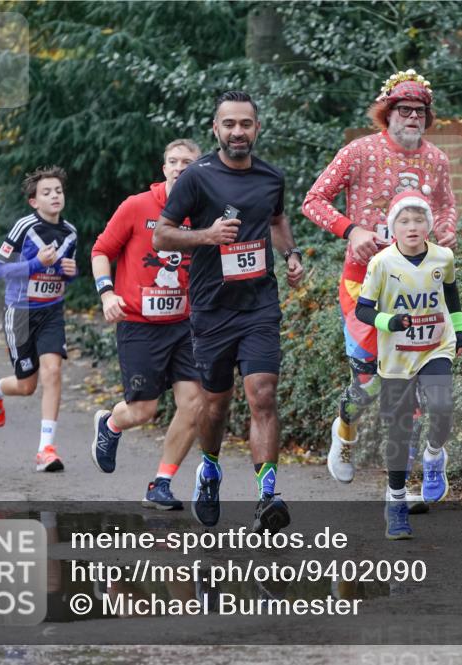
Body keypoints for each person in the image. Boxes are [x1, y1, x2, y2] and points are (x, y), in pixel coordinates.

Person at [153, 90, 304, 533]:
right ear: (215, 129)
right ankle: (211, 470)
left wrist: (291, 254)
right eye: (229, 124)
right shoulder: (196, 178)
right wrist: (207, 236)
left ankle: (267, 496)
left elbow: (276, 220)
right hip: (212, 309)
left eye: (246, 124)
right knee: (215, 406)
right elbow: (162, 235)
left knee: (262, 394)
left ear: (258, 128)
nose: (238, 131)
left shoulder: (271, 177)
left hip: (259, 305)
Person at [301, 69, 457, 485]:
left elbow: (446, 208)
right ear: (386, 114)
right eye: (403, 110)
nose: (412, 118)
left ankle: (403, 478)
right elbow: (312, 201)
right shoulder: (358, 152)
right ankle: (345, 432)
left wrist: (446, 231)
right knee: (368, 377)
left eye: (420, 111)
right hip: (364, 283)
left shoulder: (437, 160)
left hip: (418, 287)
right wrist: (352, 230)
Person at [90, 138, 212, 513]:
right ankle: (111, 424)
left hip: (186, 326)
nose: (179, 167)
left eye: (187, 162)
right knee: (142, 411)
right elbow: (100, 251)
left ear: (198, 169)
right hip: (140, 324)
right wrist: (107, 294)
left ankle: (161, 483)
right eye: (172, 161)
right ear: (164, 169)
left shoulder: (206, 213)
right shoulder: (137, 206)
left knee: (194, 403)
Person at [354, 191, 462, 539]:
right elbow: (363, 310)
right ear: (393, 228)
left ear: (429, 225)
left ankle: (434, 456)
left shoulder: (443, 257)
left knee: (442, 405)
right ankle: (396, 503)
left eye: (419, 220)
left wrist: (460, 331)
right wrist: (390, 322)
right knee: (399, 432)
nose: (413, 226)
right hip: (397, 356)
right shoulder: (382, 263)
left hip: (436, 346)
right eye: (404, 221)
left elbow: (451, 295)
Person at [0, 166, 77, 472]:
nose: (54, 196)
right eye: (46, 193)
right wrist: (35, 263)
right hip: (20, 312)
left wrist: (70, 274)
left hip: (51, 312)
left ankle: (46, 448)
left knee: (53, 372)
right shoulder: (24, 227)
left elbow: (61, 274)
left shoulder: (70, 232)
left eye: (58, 191)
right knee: (26, 386)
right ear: (34, 201)